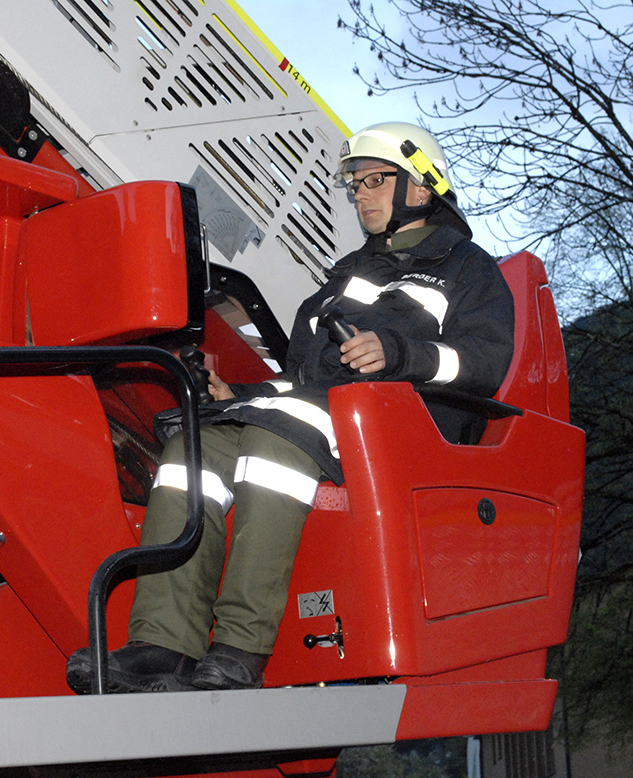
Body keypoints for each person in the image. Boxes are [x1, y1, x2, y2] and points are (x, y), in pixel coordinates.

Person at [66, 121, 515, 694]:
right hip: (323, 417)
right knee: (192, 449)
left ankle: (240, 649)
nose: (361, 195)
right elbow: (302, 380)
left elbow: (484, 362)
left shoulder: (468, 268)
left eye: (375, 181)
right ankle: (164, 643)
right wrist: (238, 397)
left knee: (273, 443)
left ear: (421, 188)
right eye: (354, 184)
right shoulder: (348, 272)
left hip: (399, 427)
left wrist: (401, 353)